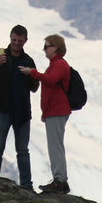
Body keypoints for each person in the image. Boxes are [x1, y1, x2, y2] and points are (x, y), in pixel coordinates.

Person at [0, 24, 39, 189]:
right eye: (14, 40)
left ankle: (27, 185)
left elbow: (35, 88)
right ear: (10, 38)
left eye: (20, 40)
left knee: (22, 150)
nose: (16, 43)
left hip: (21, 112)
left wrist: (32, 74)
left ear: (25, 41)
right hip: (2, 109)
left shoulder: (28, 61)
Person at [19, 33, 71, 194]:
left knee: (55, 146)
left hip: (57, 110)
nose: (44, 50)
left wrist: (32, 72)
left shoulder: (59, 65)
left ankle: (60, 180)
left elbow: (51, 80)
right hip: (54, 110)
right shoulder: (56, 64)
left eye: (47, 46)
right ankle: (59, 179)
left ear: (55, 47)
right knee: (55, 145)